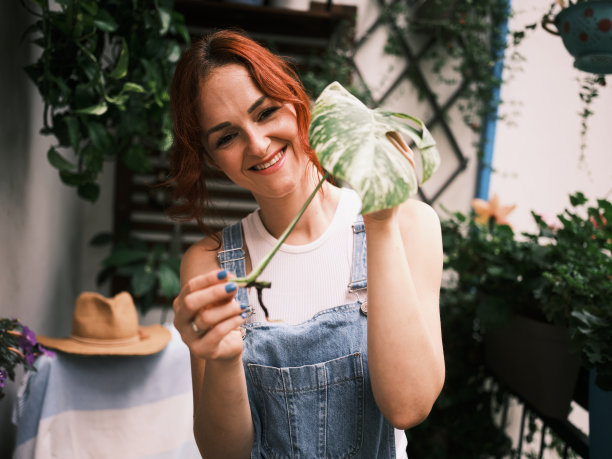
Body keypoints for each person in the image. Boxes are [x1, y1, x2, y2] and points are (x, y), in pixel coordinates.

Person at [169, 29, 445, 458]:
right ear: (210, 158)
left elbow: (408, 406)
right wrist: (222, 361)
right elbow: (225, 454)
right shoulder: (209, 264)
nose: (257, 145)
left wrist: (381, 221)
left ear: (298, 102)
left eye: (265, 113)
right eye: (227, 137)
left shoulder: (408, 225)